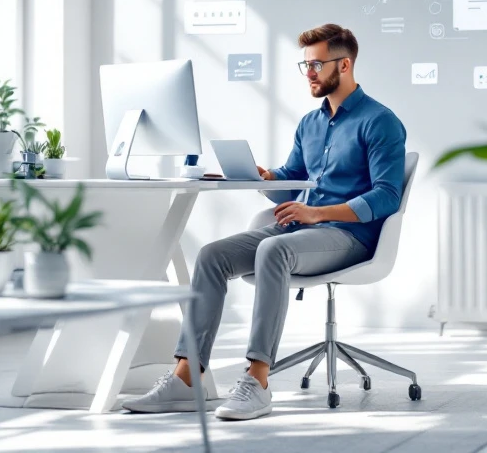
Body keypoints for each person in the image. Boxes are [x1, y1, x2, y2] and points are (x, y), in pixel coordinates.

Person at [123, 24, 406, 421]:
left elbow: (386, 195)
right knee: (211, 255)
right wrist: (263, 178)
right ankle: (186, 378)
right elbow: (293, 180)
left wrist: (318, 212)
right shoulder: (309, 124)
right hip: (303, 230)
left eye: (316, 65)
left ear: (344, 65)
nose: (308, 72)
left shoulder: (380, 122)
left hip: (348, 236)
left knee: (273, 249)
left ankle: (257, 382)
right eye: (305, 65)